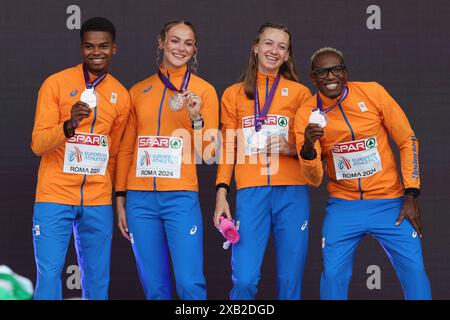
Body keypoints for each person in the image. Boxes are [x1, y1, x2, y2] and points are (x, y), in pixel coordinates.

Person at [294, 47, 432, 300]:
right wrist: (307, 150)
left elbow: (407, 139)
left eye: (337, 69)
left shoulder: (372, 92)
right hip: (344, 206)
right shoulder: (306, 114)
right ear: (313, 79)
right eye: (322, 72)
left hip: (390, 202)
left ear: (345, 72)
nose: (331, 76)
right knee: (334, 275)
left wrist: (411, 194)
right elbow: (313, 180)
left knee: (414, 270)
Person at [115, 20, 219, 300]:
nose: (180, 48)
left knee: (189, 284)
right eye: (174, 40)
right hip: (140, 201)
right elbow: (126, 148)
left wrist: (196, 118)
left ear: (195, 49)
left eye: (188, 43)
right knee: (155, 289)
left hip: (180, 198)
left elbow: (208, 155)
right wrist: (120, 197)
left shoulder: (204, 91)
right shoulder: (137, 91)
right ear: (161, 42)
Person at [31, 17, 131, 300]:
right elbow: (38, 143)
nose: (96, 52)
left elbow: (115, 152)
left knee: (98, 279)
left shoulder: (120, 96)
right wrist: (68, 125)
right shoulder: (56, 84)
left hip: (97, 198)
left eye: (103, 46)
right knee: (49, 274)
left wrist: (113, 192)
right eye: (89, 46)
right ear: (81, 48)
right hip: (55, 194)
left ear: (114, 49)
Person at [214, 22, 312, 300]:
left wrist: (291, 148)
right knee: (244, 280)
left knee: (289, 279)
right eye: (268, 43)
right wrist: (222, 192)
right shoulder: (233, 94)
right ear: (255, 47)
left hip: (292, 193)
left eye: (282, 46)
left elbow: (311, 147)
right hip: (251, 193)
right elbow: (228, 147)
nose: (274, 50)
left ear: (288, 55)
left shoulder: (300, 93)